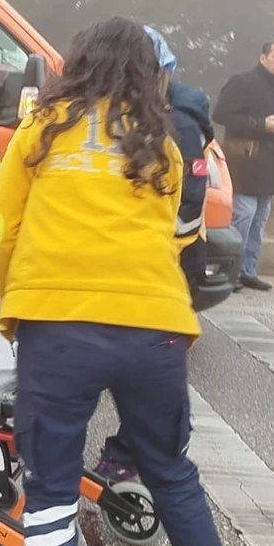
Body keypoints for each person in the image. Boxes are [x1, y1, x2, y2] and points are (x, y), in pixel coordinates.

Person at [0, 17, 225, 546]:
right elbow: (175, 236)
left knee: (50, 494)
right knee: (172, 474)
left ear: (78, 62)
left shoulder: (41, 128)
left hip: (57, 323)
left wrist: (16, 297)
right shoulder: (162, 144)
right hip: (155, 329)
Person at [93, 24, 216, 484]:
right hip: (145, 262)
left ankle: (131, 456)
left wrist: (159, 253)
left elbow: (189, 200)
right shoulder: (137, 111)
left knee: (149, 375)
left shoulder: (178, 121)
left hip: (171, 260)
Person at [212, 38, 274, 292]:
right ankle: (229, 272)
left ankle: (248, 271)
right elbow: (221, 115)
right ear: (263, 58)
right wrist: (260, 125)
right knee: (243, 215)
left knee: (260, 219)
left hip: (270, 164)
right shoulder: (242, 82)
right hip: (244, 162)